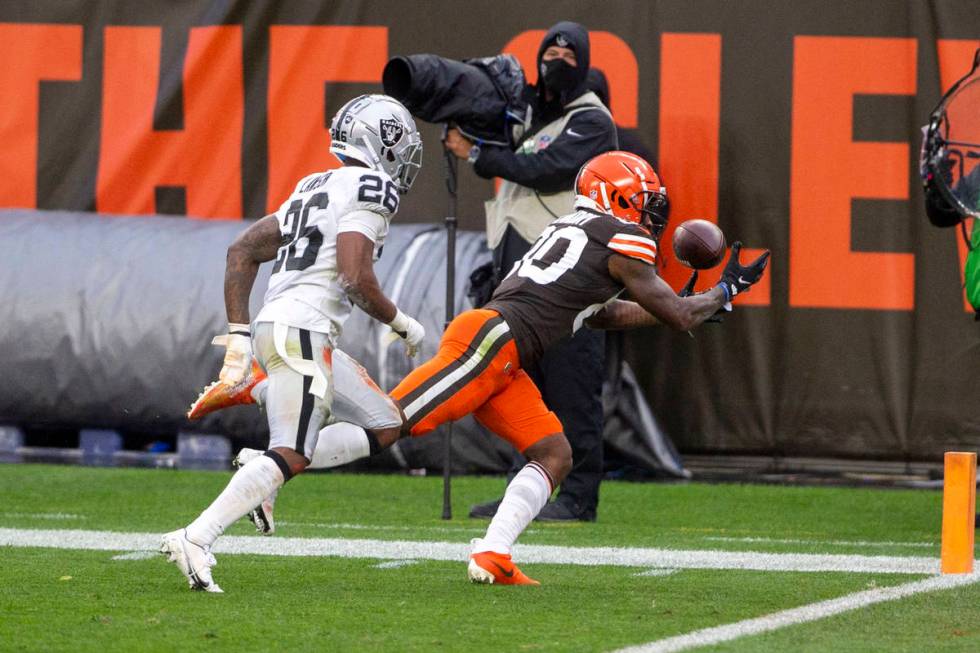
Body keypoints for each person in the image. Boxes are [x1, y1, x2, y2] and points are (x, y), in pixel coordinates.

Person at [195, 151, 770, 585]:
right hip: (489, 346)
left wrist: (693, 304)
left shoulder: (578, 229)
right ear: (617, 198)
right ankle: (269, 459)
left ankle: (492, 553)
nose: (651, 215)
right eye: (644, 202)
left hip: (505, 354)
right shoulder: (620, 238)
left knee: (555, 453)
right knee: (390, 424)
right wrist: (721, 292)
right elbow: (671, 312)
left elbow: (600, 315)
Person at [161, 94, 425, 593]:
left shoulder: (315, 184)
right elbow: (353, 276)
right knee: (294, 452)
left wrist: (241, 335)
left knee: (386, 423)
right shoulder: (374, 185)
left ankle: (261, 464)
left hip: (285, 330)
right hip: (301, 333)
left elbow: (242, 251)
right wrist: (402, 322)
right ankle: (196, 537)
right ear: (380, 141)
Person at [443, 21, 618, 522]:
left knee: (572, 386)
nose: (556, 60)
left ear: (583, 65)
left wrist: (478, 155)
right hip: (519, 276)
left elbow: (547, 168)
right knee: (521, 389)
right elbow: (490, 123)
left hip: (570, 280)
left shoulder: (592, 121)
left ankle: (578, 497)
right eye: (550, 53)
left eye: (568, 55)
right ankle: (523, 491)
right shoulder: (527, 115)